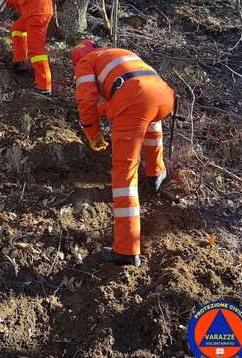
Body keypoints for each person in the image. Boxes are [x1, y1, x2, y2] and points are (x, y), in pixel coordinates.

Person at [72, 40, 174, 267]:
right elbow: (121, 97)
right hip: (164, 95)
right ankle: (156, 172)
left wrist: (92, 133)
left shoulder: (85, 62)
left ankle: (127, 250)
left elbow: (86, 100)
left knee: (124, 175)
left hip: (135, 98)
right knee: (150, 121)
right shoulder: (116, 53)